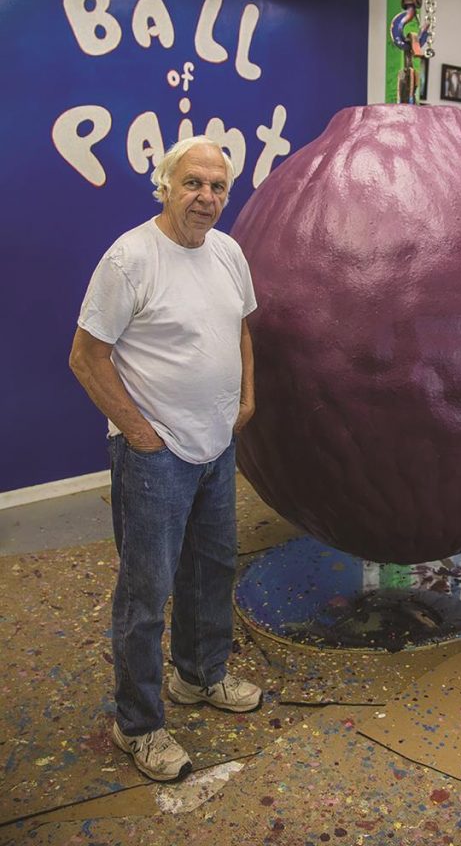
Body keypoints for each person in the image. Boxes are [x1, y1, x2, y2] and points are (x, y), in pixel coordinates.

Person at [69, 135, 261, 783]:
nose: (205, 198)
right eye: (192, 184)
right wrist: (141, 435)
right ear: (165, 185)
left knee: (211, 571)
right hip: (154, 457)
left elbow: (239, 326)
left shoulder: (229, 253)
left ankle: (199, 677)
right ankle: (139, 725)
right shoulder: (129, 260)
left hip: (215, 445)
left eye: (216, 187)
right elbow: (86, 357)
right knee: (145, 594)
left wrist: (246, 400)